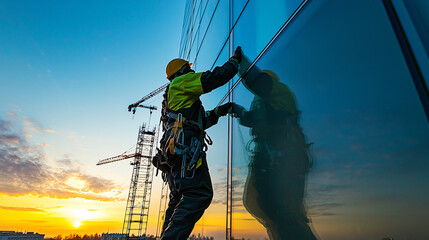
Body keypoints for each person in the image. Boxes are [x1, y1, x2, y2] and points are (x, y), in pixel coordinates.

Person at [157, 47, 242, 240]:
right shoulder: (181, 82)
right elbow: (213, 78)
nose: (192, 71)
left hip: (174, 154)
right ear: (181, 72)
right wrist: (234, 62)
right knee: (198, 193)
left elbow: (198, 121)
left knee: (178, 198)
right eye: (188, 68)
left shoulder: (172, 98)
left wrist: (220, 111)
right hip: (184, 150)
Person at [231, 54, 317, 240]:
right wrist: (238, 111)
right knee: (267, 208)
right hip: (273, 161)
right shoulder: (267, 101)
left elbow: (258, 83)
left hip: (283, 161)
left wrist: (240, 62)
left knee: (286, 215)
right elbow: (256, 118)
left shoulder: (279, 91)